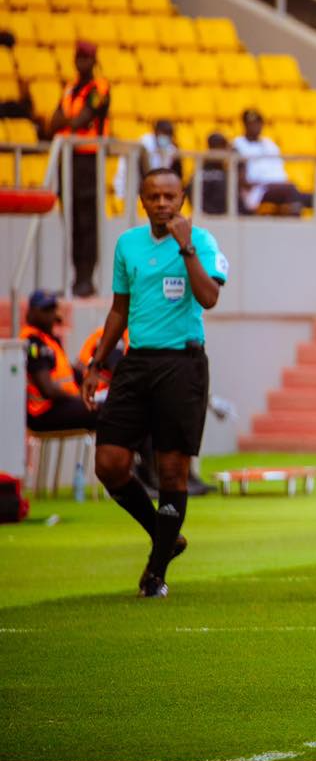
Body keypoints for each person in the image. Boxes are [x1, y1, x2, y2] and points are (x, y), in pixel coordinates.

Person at [82, 169, 228, 599]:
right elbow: (118, 309)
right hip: (136, 360)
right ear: (141, 200)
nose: (162, 203)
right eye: (153, 196)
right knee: (108, 462)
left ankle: (157, 570)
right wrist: (96, 363)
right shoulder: (127, 244)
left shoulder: (201, 241)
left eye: (170, 196)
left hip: (182, 364)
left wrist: (185, 248)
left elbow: (209, 298)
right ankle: (164, 535)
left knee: (171, 470)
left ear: (183, 197)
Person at [42, 40, 110, 297]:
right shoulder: (70, 88)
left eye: (87, 58)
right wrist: (66, 122)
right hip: (68, 159)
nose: (82, 63)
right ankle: (75, 278)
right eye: (79, 58)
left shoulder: (99, 88)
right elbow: (53, 122)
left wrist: (66, 122)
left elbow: (83, 118)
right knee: (71, 219)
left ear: (94, 61)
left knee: (87, 221)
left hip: (89, 160)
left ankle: (86, 278)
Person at [22, 290, 97, 433]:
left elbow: (68, 374)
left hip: (59, 405)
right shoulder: (32, 343)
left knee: (113, 406)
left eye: (52, 308)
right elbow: (48, 390)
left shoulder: (50, 340)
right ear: (31, 312)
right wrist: (78, 398)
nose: (50, 314)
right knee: (107, 412)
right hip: (43, 412)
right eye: (45, 309)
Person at [233, 109, 308, 216]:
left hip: (277, 185)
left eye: (258, 123)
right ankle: (295, 225)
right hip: (257, 190)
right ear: (245, 125)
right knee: (291, 192)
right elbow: (243, 180)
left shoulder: (269, 144)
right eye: (252, 124)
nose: (256, 127)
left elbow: (279, 169)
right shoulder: (237, 145)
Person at [114, 119, 180, 202]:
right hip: (130, 185)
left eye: (168, 134)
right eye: (163, 133)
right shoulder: (145, 143)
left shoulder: (170, 149)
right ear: (156, 132)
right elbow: (145, 171)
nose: (165, 137)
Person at [199, 133, 232, 216]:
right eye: (223, 147)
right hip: (209, 216)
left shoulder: (227, 170)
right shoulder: (201, 169)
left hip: (225, 215)